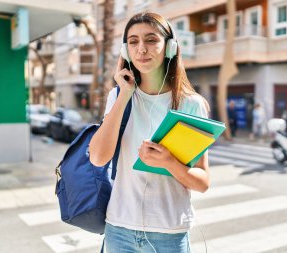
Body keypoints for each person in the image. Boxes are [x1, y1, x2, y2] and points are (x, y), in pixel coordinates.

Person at [89, 12, 210, 253]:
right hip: (119, 229)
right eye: (133, 42)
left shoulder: (191, 104)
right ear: (125, 51)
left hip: (169, 234)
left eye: (151, 40)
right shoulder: (117, 96)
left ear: (170, 47)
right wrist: (123, 94)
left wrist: (168, 162)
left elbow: (203, 182)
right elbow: (98, 157)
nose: (141, 49)